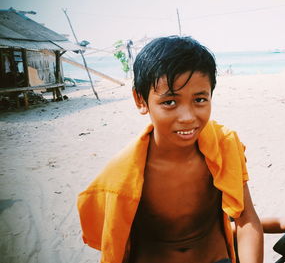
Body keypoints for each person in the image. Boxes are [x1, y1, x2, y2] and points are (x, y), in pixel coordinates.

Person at [77, 36, 263, 263]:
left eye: (200, 99)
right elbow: (117, 243)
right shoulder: (121, 176)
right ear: (140, 100)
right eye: (169, 102)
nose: (187, 117)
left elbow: (246, 219)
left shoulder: (224, 145)